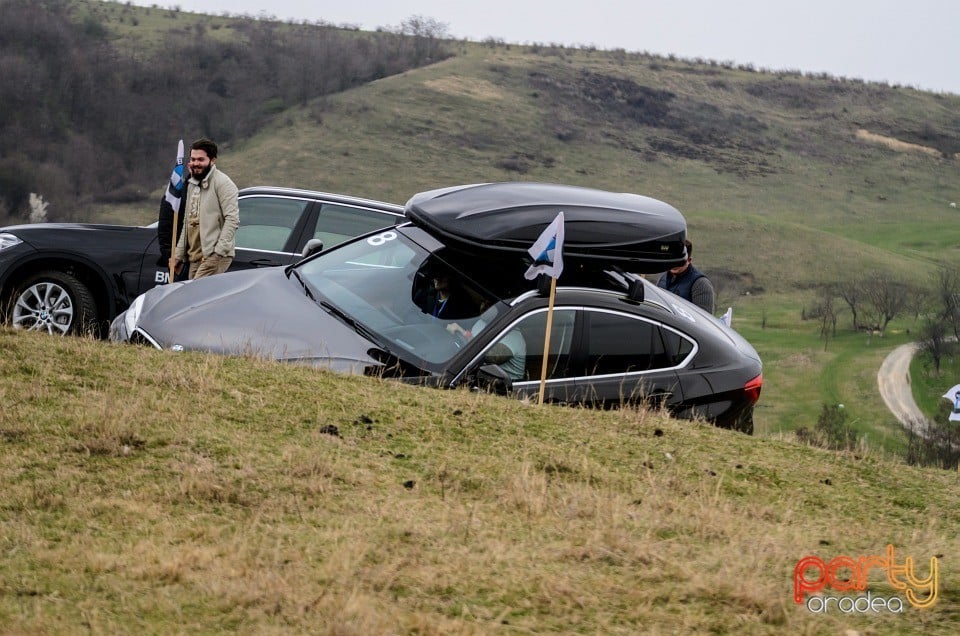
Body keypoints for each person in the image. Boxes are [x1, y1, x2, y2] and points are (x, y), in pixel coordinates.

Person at [171, 138, 240, 280]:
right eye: (193, 159)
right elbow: (187, 222)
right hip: (195, 256)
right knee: (196, 300)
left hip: (214, 256)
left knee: (194, 296)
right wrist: (178, 255)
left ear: (212, 160)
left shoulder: (224, 184)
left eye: (201, 159)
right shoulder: (192, 184)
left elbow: (232, 220)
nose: (196, 163)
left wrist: (218, 253)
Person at [657, 238, 715, 314]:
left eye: (680, 260)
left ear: (689, 260)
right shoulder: (662, 279)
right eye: (672, 259)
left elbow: (704, 320)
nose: (675, 264)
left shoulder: (700, 284)